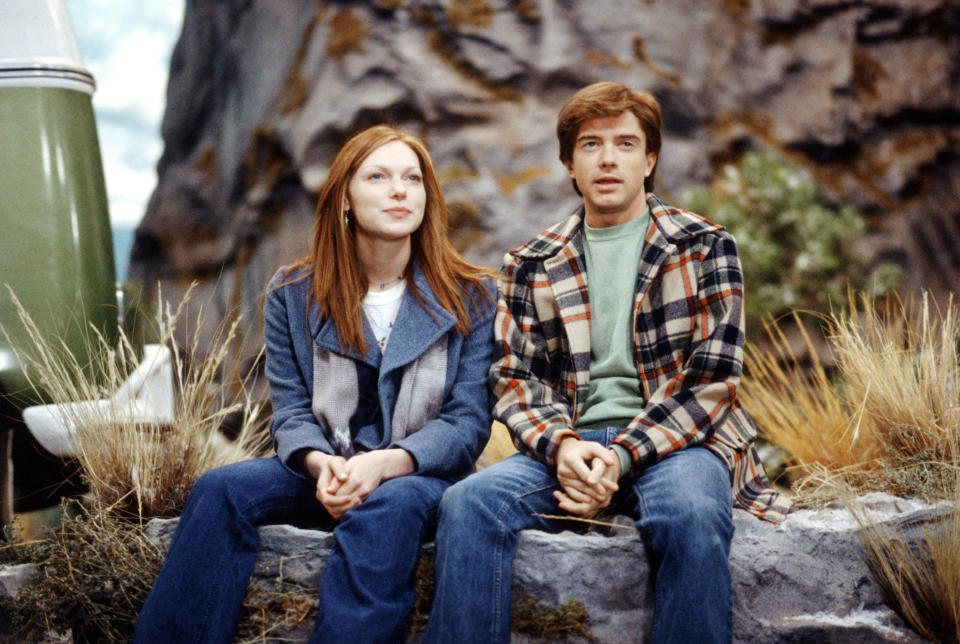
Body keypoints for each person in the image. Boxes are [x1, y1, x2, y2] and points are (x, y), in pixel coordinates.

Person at [424, 82, 792, 643]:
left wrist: (621, 458)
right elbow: (514, 378)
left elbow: (712, 381)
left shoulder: (703, 245)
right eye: (591, 145)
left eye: (625, 143)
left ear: (649, 160)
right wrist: (565, 448)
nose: (608, 159)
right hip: (571, 445)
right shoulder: (532, 262)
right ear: (570, 164)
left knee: (692, 517)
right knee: (469, 503)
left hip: (679, 445)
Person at [134, 125, 496, 643]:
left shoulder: (473, 296)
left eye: (412, 179)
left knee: (385, 505)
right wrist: (318, 462)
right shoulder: (294, 293)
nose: (399, 190)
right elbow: (292, 412)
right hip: (329, 466)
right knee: (221, 488)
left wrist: (385, 464)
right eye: (378, 176)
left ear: (426, 197)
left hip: (422, 475)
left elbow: (466, 423)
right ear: (345, 198)